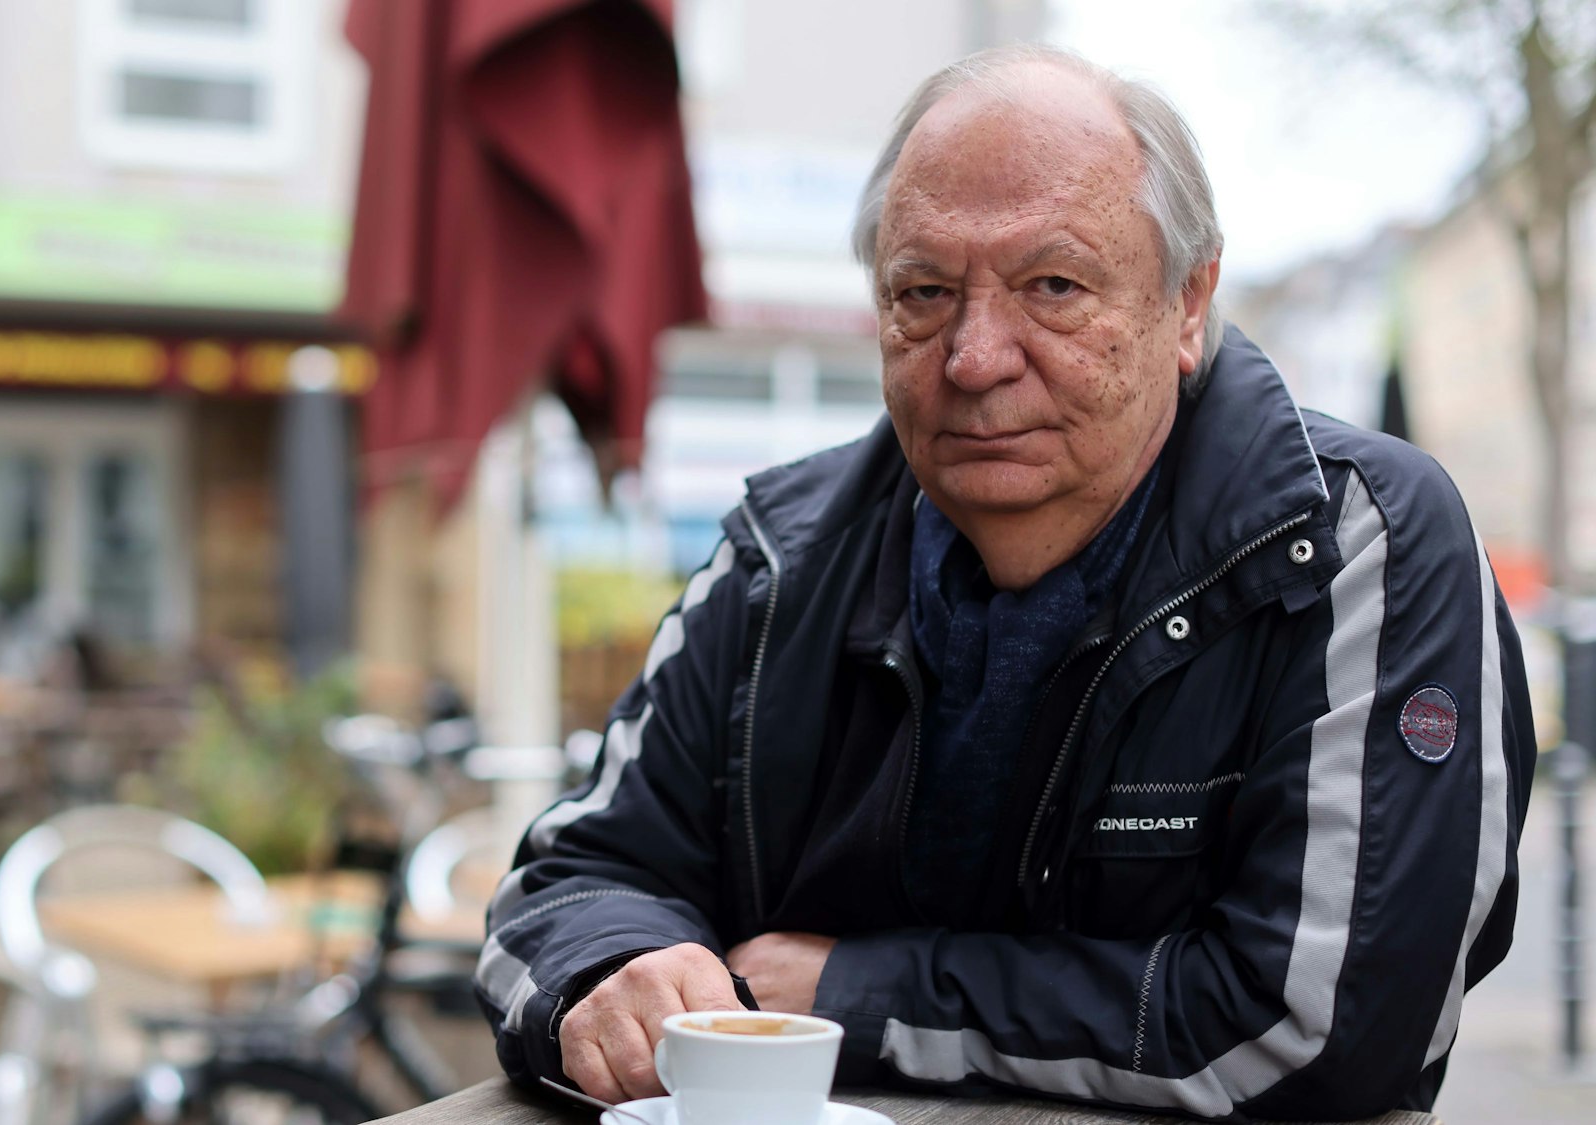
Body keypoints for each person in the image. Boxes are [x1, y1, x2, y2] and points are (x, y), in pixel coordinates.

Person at [475, 44, 1537, 1120]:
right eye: (924, 293)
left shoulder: (1355, 544)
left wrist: (861, 991)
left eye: (1053, 286)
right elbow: (561, 886)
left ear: (1185, 304)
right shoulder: (775, 562)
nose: (974, 358)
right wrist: (606, 976)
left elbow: (1323, 1022)